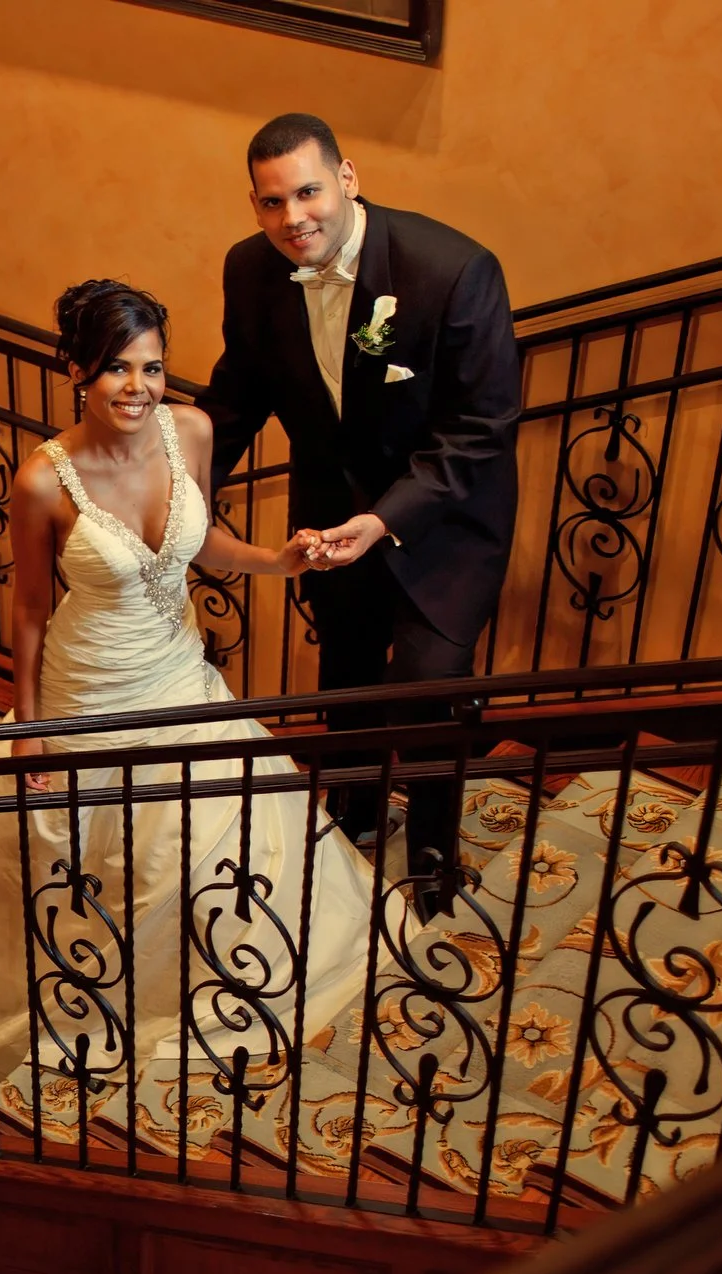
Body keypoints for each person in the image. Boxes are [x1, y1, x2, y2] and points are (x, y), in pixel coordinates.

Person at [0, 279, 384, 1147]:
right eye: (116, 368)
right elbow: (31, 611)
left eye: (152, 366)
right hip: (91, 691)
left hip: (179, 675)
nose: (139, 387)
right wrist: (30, 727)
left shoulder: (192, 430)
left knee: (222, 844)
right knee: (99, 864)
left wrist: (281, 560)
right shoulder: (42, 481)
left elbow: (202, 538)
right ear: (76, 369)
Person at [200, 112, 522, 914]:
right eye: (272, 202)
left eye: (308, 192)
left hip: (444, 525)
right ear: (255, 204)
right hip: (326, 515)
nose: (292, 218)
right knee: (343, 673)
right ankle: (354, 812)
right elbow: (237, 397)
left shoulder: (453, 269)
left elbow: (482, 427)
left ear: (348, 179)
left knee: (426, 685)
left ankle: (434, 858)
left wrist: (386, 518)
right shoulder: (252, 270)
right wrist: (175, 490)